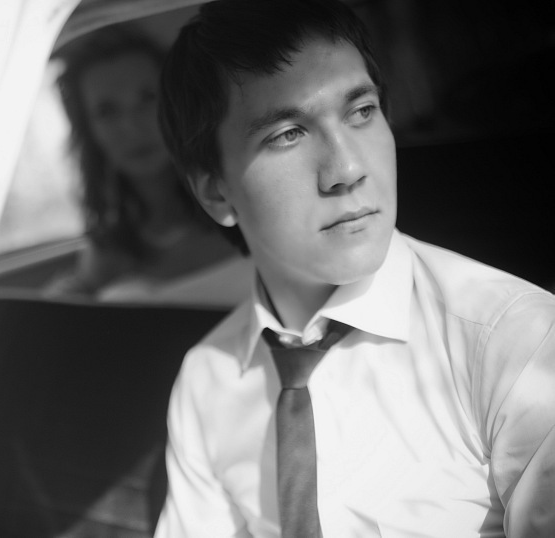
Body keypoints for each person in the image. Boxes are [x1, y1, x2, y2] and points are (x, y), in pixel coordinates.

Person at [153, 0, 555, 536]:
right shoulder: (208, 379)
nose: (346, 168)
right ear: (215, 192)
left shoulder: (514, 342)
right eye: (287, 134)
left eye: (361, 111)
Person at [44, 26, 252, 307]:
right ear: (89, 131)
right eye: (107, 111)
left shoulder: (243, 201)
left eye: (147, 98)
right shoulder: (107, 249)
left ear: (179, 103)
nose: (132, 127)